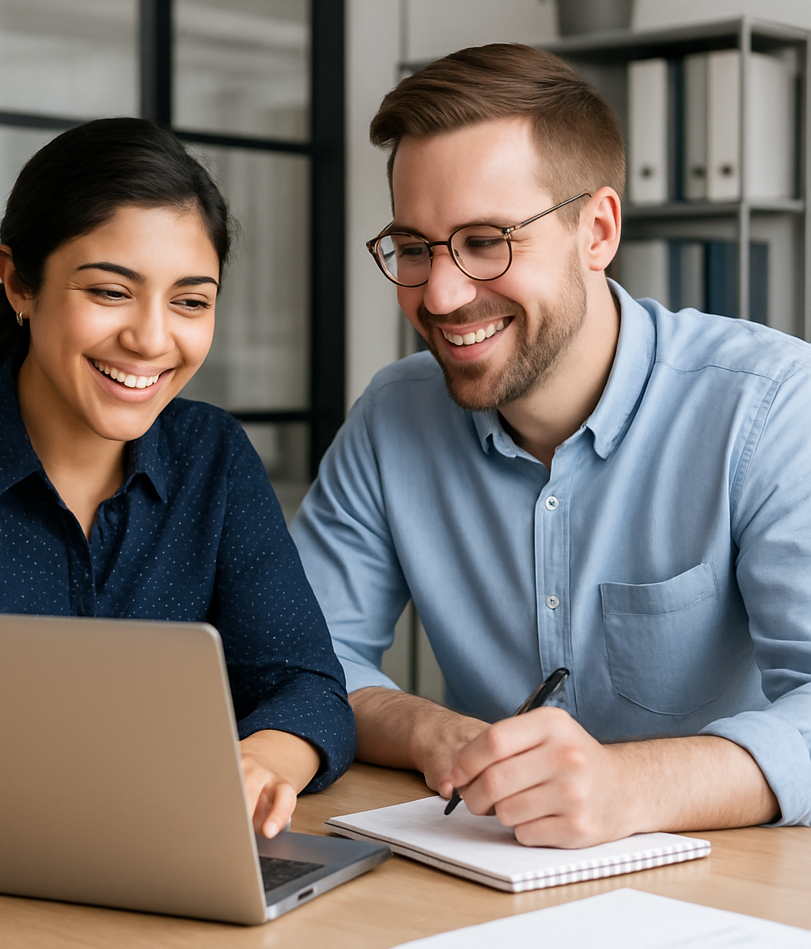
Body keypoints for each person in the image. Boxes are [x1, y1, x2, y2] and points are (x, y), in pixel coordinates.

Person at [290, 43, 811, 849]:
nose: (443, 293)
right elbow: (304, 661)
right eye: (416, 248)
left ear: (596, 229)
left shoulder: (771, 405)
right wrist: (437, 733)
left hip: (729, 891)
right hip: (492, 874)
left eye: (488, 240)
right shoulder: (393, 415)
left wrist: (628, 786)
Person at [0, 117, 355, 833]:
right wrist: (23, 817)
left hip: (165, 866)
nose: (151, 340)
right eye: (110, 292)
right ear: (18, 284)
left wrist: (259, 767)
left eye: (190, 301)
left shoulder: (214, 457)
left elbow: (305, 685)